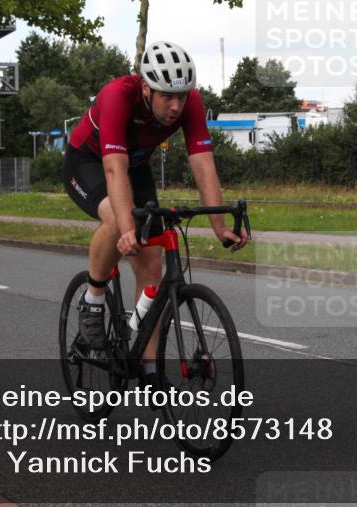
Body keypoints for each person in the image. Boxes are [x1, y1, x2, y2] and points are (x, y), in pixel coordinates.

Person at [63, 41, 248, 387]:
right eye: (167, 97)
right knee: (119, 220)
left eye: (181, 96)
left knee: (152, 265)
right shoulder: (119, 95)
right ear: (146, 88)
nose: (176, 106)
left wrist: (219, 226)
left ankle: (149, 368)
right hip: (88, 162)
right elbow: (114, 171)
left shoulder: (191, 102)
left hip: (136, 167)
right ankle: (93, 299)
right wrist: (127, 229)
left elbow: (203, 165)